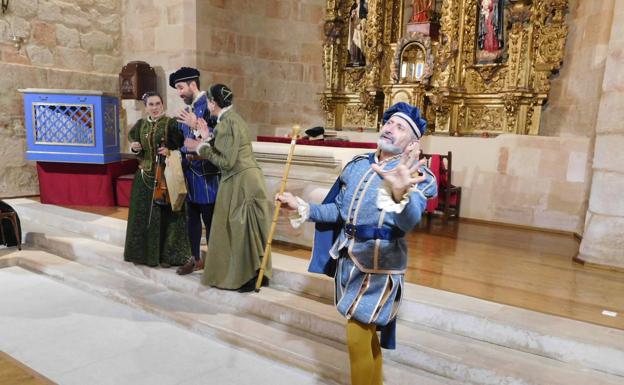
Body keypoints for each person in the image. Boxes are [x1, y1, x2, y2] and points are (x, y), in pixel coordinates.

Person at [276, 102, 437, 385]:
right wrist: (302, 206)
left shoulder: (415, 174)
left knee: (357, 335)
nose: (390, 128)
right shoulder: (357, 165)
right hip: (348, 260)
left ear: (413, 143)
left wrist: (401, 193)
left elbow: (408, 222)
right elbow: (338, 211)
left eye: (400, 127)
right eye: (389, 123)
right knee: (364, 336)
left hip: (381, 267)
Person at [184, 84, 272, 292]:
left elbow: (226, 161)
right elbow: (224, 145)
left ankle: (245, 277)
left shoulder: (226, 124)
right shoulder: (233, 119)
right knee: (251, 229)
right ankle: (259, 272)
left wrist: (200, 147)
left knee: (239, 230)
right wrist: (204, 137)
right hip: (249, 177)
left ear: (213, 103)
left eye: (209, 102)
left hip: (239, 181)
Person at [124, 92, 191, 267]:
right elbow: (135, 145)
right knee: (141, 216)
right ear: (146, 107)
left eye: (158, 104)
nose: (154, 108)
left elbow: (182, 146)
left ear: (163, 105)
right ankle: (142, 255)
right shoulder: (140, 125)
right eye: (151, 104)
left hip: (164, 175)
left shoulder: (171, 124)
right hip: (144, 175)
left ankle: (166, 256)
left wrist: (169, 151)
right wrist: (134, 147)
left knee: (165, 216)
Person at [168, 67, 220, 275]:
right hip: (188, 174)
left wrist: (196, 127)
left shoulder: (210, 104)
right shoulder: (188, 108)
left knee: (210, 220)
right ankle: (195, 259)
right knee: (191, 219)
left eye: (181, 87)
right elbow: (183, 139)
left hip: (207, 174)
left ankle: (216, 262)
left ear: (192, 84)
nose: (179, 93)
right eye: (177, 89)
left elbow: (218, 137)